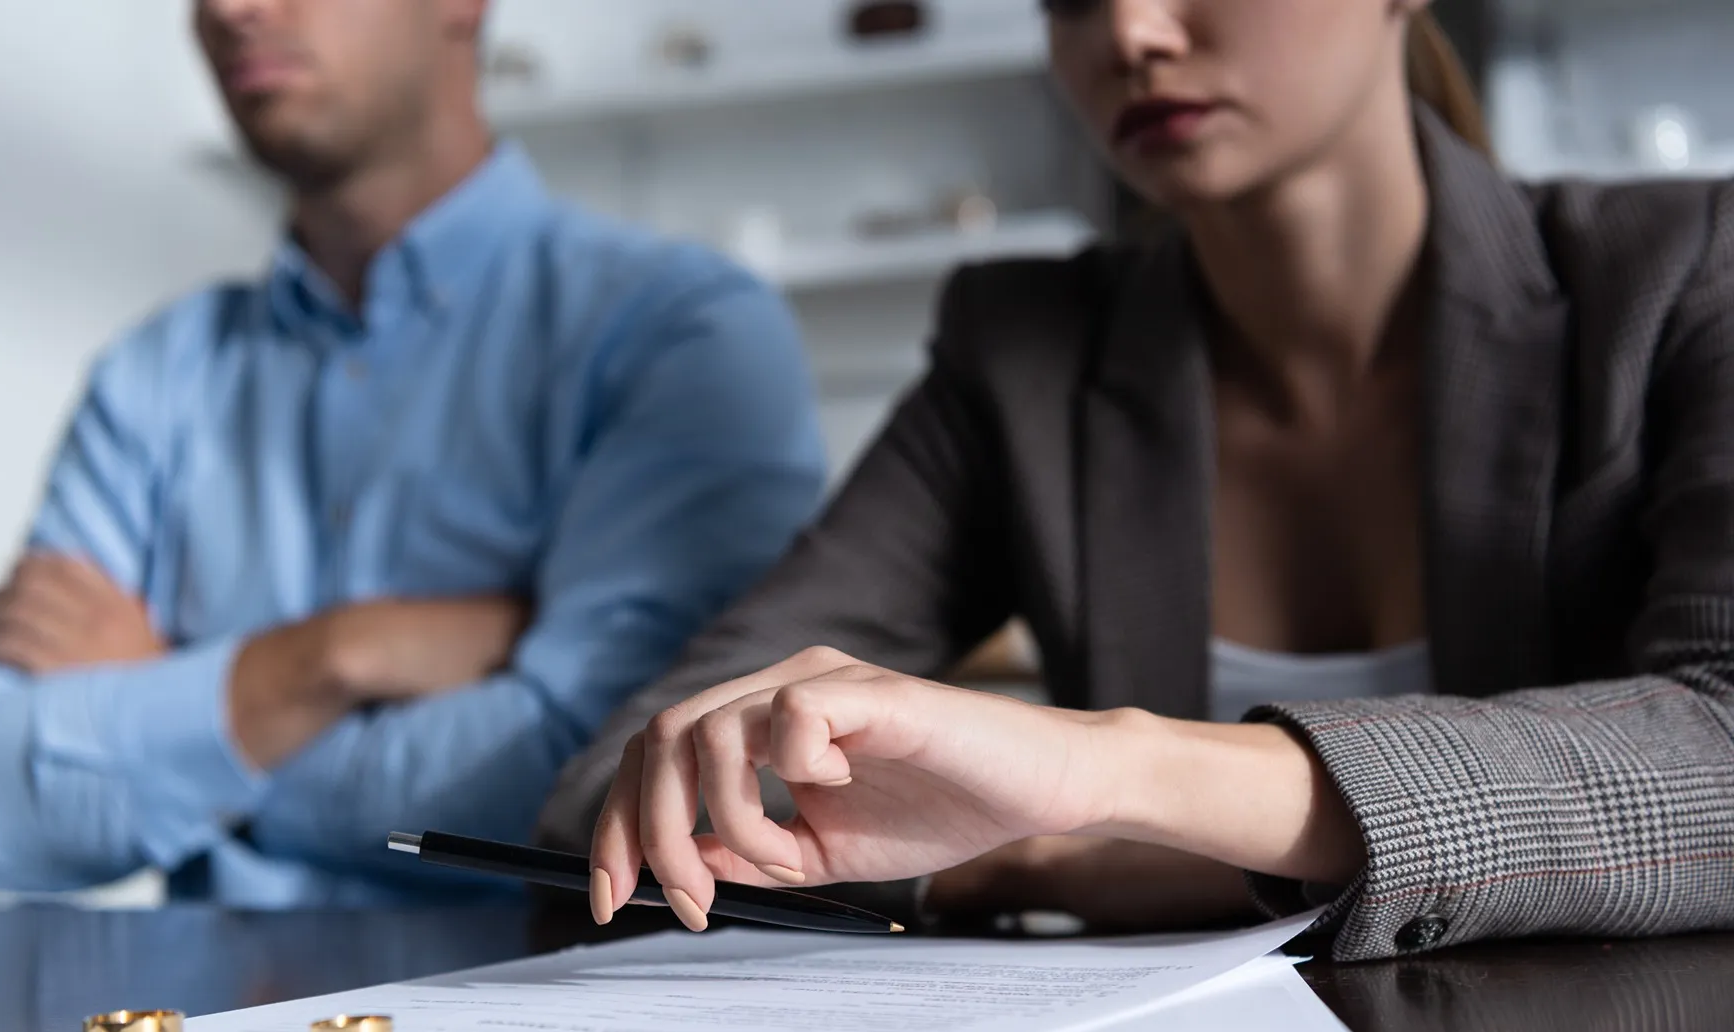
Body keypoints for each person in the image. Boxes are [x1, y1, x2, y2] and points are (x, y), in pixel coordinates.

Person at [541, 0, 1734, 960]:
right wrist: (1027, 853)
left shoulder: (1680, 276)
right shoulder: (1022, 356)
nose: (1129, 32)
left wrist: (1095, 775)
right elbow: (637, 782)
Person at [0, 0, 825, 904]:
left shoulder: (680, 334)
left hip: (551, 1026)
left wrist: (176, 721)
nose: (232, 9)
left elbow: (618, 783)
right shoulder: (152, 374)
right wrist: (331, 657)